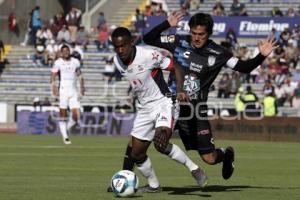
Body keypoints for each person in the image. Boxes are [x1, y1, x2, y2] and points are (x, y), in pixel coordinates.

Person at [143, 12, 278, 180]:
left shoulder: (219, 53)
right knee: (147, 140)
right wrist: (166, 24)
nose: (196, 38)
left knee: (210, 159)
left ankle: (225, 154)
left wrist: (261, 55)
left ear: (209, 34)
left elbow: (244, 67)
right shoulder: (178, 41)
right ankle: (142, 179)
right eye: (193, 33)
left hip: (195, 110)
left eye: (201, 34)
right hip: (171, 105)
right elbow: (148, 39)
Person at [109, 27, 208, 193]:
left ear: (131, 42)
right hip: (144, 108)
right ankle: (154, 185)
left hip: (164, 102)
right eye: (117, 47)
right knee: (137, 154)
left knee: (161, 141)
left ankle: (194, 169)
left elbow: (176, 67)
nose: (120, 50)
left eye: (123, 46)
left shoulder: (148, 55)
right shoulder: (116, 61)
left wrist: (180, 90)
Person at [50, 45, 85, 145]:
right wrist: (54, 88)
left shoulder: (75, 62)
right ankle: (65, 137)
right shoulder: (58, 63)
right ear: (61, 53)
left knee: (76, 116)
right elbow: (52, 76)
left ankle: (66, 129)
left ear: (69, 51)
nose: (66, 52)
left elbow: (80, 75)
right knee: (63, 115)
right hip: (63, 91)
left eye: (67, 50)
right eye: (64, 51)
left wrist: (82, 88)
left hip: (73, 91)